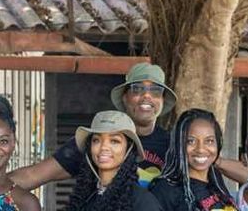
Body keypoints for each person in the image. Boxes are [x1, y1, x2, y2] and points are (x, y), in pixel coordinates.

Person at [12, 62, 209, 189]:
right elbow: (34, 175)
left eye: (155, 91)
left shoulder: (171, 146)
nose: (147, 96)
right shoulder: (97, 139)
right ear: (125, 97)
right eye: (137, 89)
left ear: (162, 100)